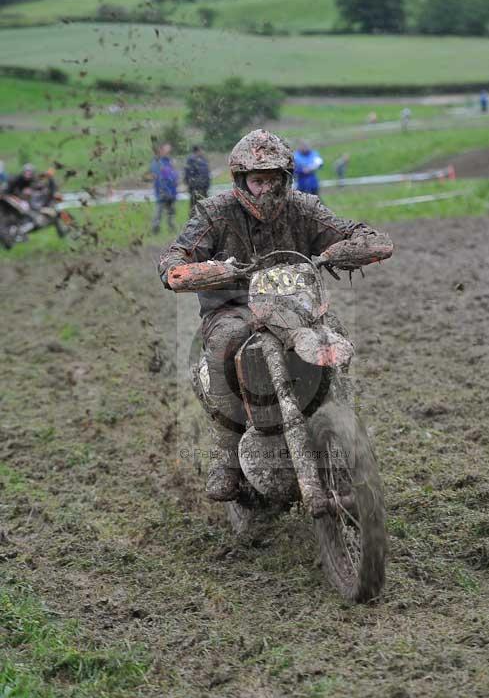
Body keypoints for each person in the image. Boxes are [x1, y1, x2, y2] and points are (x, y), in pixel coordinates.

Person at [158, 129, 393, 501]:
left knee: (334, 330)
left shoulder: (304, 207)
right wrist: (200, 271)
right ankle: (227, 458)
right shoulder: (214, 213)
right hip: (232, 309)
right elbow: (176, 257)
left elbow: (350, 231)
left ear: (286, 178)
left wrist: (353, 248)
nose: (265, 188)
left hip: (297, 305)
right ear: (241, 181)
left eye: (273, 179)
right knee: (222, 346)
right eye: (257, 180)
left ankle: (342, 419)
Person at [150, 143, 178, 234]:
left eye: (169, 150)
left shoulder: (170, 162)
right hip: (162, 191)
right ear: (161, 151)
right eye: (166, 150)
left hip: (172, 191)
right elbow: (158, 177)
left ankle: (171, 228)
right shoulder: (157, 162)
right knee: (159, 211)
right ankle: (155, 228)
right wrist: (163, 189)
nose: (168, 152)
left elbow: (174, 175)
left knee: (171, 212)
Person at [184, 145, 210, 215]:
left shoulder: (203, 159)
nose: (203, 151)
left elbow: (206, 173)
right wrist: (191, 185)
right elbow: (188, 174)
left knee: (205, 206)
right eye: (201, 150)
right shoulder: (191, 160)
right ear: (197, 150)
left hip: (203, 187)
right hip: (195, 187)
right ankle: (192, 222)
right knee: (194, 206)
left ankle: (205, 221)